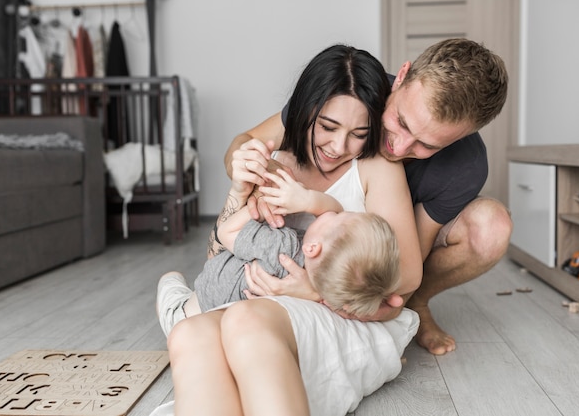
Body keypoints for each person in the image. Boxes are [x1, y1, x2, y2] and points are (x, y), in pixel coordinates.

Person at [154, 44, 423, 416]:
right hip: (256, 303)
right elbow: (218, 256)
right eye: (327, 127)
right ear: (303, 112)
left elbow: (403, 284)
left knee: (244, 321)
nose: (337, 146)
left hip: (340, 314)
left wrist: (315, 291)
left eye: (358, 133)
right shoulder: (277, 160)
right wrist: (241, 179)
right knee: (190, 333)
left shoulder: (376, 168)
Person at [224, 38, 512, 355]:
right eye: (401, 122)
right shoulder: (351, 93)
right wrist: (263, 171)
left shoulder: (465, 166)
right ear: (401, 78)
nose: (399, 148)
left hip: (396, 234)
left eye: (427, 146)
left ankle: (418, 305)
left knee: (490, 229)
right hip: (334, 224)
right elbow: (247, 141)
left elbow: (405, 269)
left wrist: (328, 293)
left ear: (462, 136)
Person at [157, 162, 402, 336]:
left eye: (339, 218)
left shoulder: (282, 248)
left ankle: (171, 282)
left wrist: (265, 207)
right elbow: (333, 209)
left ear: (313, 248)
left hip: (192, 311)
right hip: (224, 320)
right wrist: (309, 200)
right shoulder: (326, 284)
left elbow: (225, 232)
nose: (333, 212)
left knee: (170, 282)